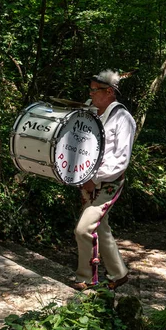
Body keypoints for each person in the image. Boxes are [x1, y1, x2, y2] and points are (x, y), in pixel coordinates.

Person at [71, 69, 135, 291]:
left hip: (108, 183)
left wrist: (94, 179)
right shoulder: (92, 112)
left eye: (94, 89)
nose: (90, 93)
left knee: (84, 228)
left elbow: (121, 161)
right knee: (101, 227)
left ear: (109, 92)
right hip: (87, 181)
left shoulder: (123, 118)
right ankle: (119, 273)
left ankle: (86, 277)